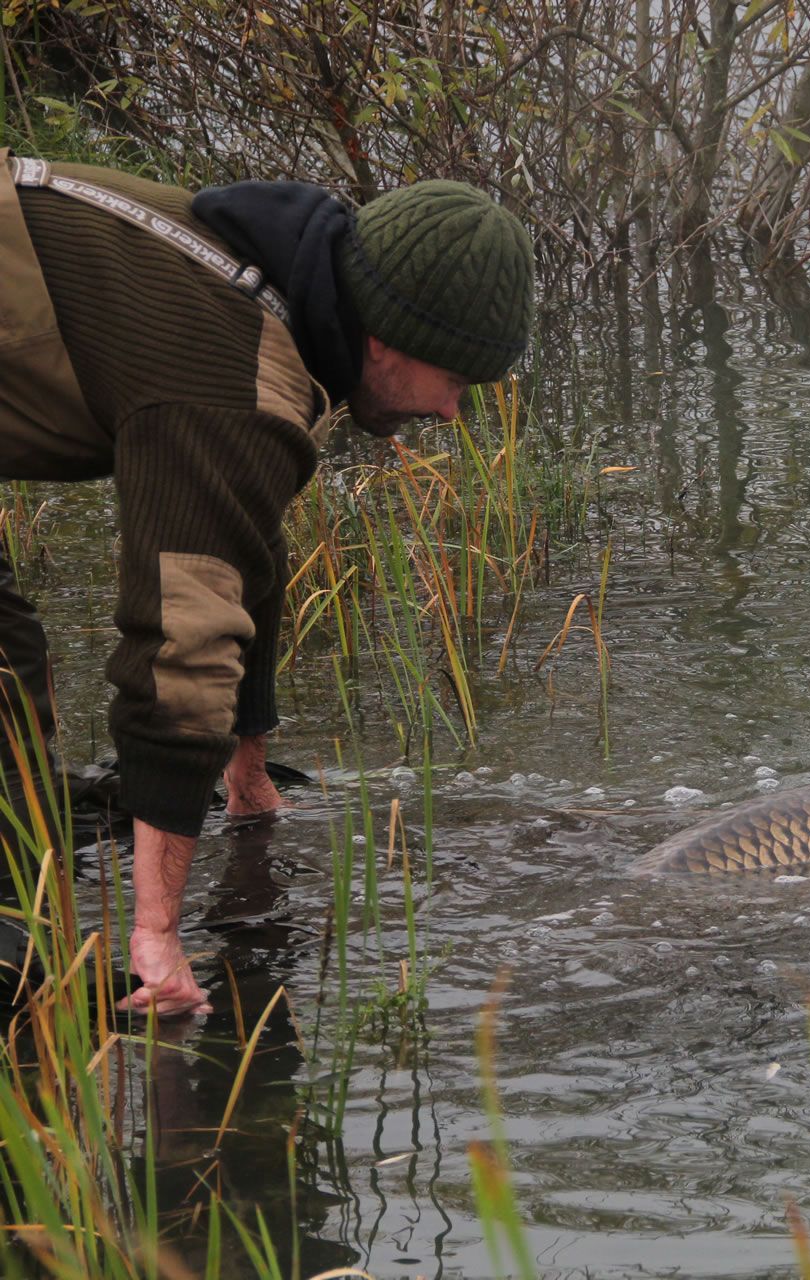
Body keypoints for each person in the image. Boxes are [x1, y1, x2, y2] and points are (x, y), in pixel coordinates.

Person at [0, 149, 534, 1016]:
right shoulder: (232, 375)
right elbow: (182, 644)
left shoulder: (275, 298)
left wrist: (247, 776)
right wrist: (160, 938)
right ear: (384, 337)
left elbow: (248, 559)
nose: (450, 414)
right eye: (454, 379)